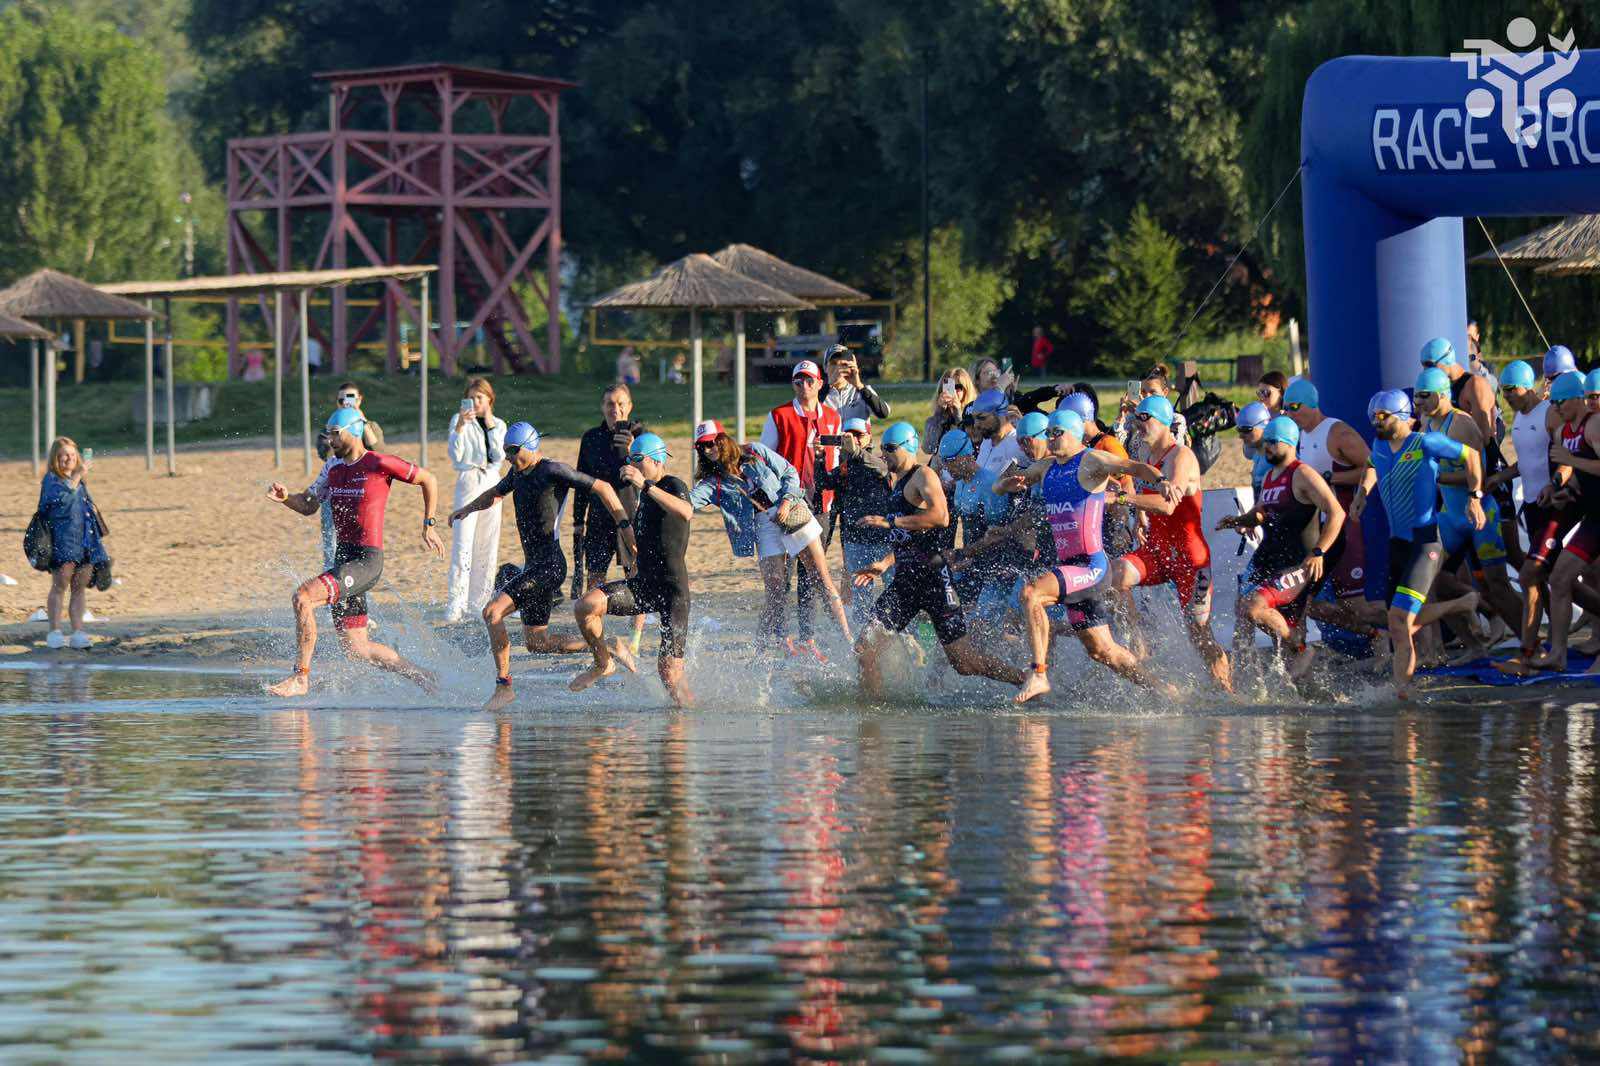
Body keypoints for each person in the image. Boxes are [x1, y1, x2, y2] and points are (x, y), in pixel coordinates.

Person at [452, 422, 635, 709]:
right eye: (505, 451)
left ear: (530, 447)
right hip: (534, 566)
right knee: (538, 643)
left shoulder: (552, 470)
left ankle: (504, 686)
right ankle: (607, 644)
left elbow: (603, 487)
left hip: (549, 564)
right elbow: (495, 494)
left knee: (493, 612)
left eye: (513, 451)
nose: (508, 457)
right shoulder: (517, 473)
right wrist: (467, 509)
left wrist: (625, 527)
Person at [265, 407, 442, 697]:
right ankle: (423, 676)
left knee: (303, 597)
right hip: (344, 558)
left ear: (354, 431)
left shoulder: (379, 463)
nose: (330, 440)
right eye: (328, 434)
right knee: (356, 648)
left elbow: (429, 479)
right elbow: (309, 504)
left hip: (367, 561)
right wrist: (286, 499)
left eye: (335, 434)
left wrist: (429, 524)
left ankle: (301, 677)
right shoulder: (332, 468)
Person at [1008, 410, 1179, 703]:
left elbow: (1133, 466)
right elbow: (1003, 483)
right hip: (1072, 569)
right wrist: (1006, 483)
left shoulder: (1090, 459)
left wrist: (1161, 479)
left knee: (1031, 593)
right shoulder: (1046, 467)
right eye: (1047, 433)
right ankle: (1166, 691)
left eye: (1056, 432)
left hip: (1090, 566)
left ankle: (1038, 673)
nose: (1050, 438)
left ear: (1075, 433)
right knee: (1103, 651)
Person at [851, 422, 1029, 697]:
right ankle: (873, 717)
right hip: (905, 584)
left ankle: (1025, 679)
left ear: (909, 446)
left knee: (964, 662)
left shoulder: (924, 476)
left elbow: (940, 517)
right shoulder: (898, 484)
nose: (883, 454)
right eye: (882, 448)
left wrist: (889, 521)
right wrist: (885, 563)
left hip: (935, 581)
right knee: (864, 649)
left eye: (889, 448)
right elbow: (909, 537)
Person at [1351, 390, 1487, 698]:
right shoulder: (1379, 444)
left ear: (1400, 416)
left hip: (1425, 544)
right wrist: (1362, 493)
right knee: (1397, 624)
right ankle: (1404, 692)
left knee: (1400, 621)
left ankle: (1405, 690)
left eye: (1382, 417)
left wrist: (1475, 497)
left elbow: (1472, 455)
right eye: (1373, 416)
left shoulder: (1424, 443)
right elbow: (1372, 464)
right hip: (1397, 544)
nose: (1376, 422)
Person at [690, 421, 853, 650]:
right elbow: (687, 502)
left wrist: (786, 501)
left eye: (711, 443)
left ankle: (848, 640)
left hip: (791, 510)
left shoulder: (755, 451)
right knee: (775, 592)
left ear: (724, 439)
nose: (707, 450)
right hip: (763, 524)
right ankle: (764, 651)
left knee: (821, 579)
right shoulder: (713, 482)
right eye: (701, 447)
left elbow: (789, 473)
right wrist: (654, 491)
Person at [1111, 396, 1232, 691]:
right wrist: (1138, 514)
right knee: (1114, 576)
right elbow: (1144, 490)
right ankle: (1138, 643)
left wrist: (1122, 500)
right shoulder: (1147, 458)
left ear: (1165, 421)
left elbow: (1168, 504)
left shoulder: (1182, 457)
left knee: (1200, 635)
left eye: (1145, 418)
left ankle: (1228, 694)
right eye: (1136, 418)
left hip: (1191, 561)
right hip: (1157, 551)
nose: (1139, 425)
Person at [570, 434, 694, 707]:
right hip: (645, 587)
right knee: (585, 606)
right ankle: (603, 662)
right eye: (630, 460)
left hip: (673, 593)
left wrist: (645, 485)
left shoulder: (672, 485)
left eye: (638, 459)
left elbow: (686, 511)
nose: (632, 465)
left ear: (657, 459)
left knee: (669, 673)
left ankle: (685, 723)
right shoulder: (643, 496)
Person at [1219, 417, 1345, 677]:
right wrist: (1239, 521)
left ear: (1289, 443)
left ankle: (1301, 648)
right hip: (1269, 557)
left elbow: (1337, 513)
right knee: (1241, 610)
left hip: (1298, 561)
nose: (1267, 447)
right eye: (1266, 442)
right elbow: (1263, 512)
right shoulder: (1269, 476)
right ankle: (1242, 673)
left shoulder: (1303, 474)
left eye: (1273, 442)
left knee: (1254, 608)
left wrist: (1319, 552)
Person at [1414, 367, 1522, 642]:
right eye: (1417, 398)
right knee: (1433, 583)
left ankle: (1531, 646)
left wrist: (1440, 477)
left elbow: (1480, 475)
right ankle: (1474, 643)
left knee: (1498, 584)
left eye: (1425, 396)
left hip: (1479, 513)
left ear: (1441, 395)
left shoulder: (1461, 424)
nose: (1420, 403)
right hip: (1451, 516)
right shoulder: (1429, 424)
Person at [761, 359, 843, 660]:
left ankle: (807, 637)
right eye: (798, 382)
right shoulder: (780, 415)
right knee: (784, 572)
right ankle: (781, 637)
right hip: (788, 502)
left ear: (820, 383)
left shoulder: (833, 417)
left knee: (812, 573)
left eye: (809, 381)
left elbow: (836, 462)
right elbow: (764, 461)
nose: (804, 387)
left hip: (821, 501)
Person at [1524, 371, 1600, 673]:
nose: (1555, 408)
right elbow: (1576, 475)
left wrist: (1571, 461)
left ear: (1576, 399)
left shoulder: (1594, 424)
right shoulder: (1563, 433)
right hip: (1594, 519)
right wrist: (1558, 491)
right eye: (1552, 402)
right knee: (1558, 578)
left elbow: (1584, 463)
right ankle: (1558, 653)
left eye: (1559, 402)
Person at [1282, 378, 1371, 608]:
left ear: (1311, 403)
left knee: (1356, 603)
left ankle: (1386, 637)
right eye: (1286, 408)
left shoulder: (1338, 433)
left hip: (1345, 526)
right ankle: (1373, 635)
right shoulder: (1300, 436)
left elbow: (1373, 467)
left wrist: (1332, 478)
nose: (1290, 414)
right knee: (1308, 603)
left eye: (1294, 407)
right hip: (1319, 531)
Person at [814, 417, 894, 630]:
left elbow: (883, 470)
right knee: (861, 602)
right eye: (848, 436)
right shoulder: (845, 468)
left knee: (896, 594)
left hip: (886, 542)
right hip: (856, 543)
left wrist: (857, 452)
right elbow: (822, 483)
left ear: (869, 437)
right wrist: (819, 458)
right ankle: (866, 641)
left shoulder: (882, 460)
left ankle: (902, 638)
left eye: (858, 435)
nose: (854, 440)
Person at [572, 385, 646, 607]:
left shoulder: (642, 436)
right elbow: (581, 481)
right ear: (602, 407)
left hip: (631, 515)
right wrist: (578, 521)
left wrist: (634, 450)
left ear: (630, 406)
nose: (616, 409)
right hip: (598, 517)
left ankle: (635, 640)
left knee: (636, 577)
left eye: (621, 403)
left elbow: (652, 476)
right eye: (610, 404)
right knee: (594, 578)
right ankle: (594, 631)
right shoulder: (591, 438)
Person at [445, 378, 507, 623]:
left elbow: (499, 456)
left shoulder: (499, 425)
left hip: (492, 478)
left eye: (480, 398)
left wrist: (490, 426)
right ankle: (455, 602)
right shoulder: (459, 421)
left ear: (489, 399)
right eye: (472, 398)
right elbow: (454, 454)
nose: (476, 403)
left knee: (487, 543)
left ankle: (478, 602)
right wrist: (460, 425)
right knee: (463, 542)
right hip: (468, 478)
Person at [37, 437, 108, 650]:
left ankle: (78, 632)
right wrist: (77, 476)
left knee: (79, 587)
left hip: (85, 539)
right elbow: (61, 502)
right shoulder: (51, 480)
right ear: (55, 459)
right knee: (60, 585)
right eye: (64, 455)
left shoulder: (80, 480)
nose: (69, 458)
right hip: (62, 539)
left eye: (72, 454)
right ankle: (55, 632)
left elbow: (83, 504)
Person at [316, 383, 386, 570]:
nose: (346, 403)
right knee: (332, 547)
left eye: (350, 398)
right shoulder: (331, 427)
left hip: (361, 494)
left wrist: (360, 422)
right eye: (341, 400)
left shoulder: (370, 426)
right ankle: (331, 592)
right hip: (336, 491)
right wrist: (339, 433)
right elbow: (326, 454)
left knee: (362, 549)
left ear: (360, 400)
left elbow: (379, 451)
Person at [1119, 363, 1189, 461]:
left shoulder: (1175, 419)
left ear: (1164, 393)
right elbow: (1119, 451)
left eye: (1153, 392)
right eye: (1143, 392)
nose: (1147, 396)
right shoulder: (1132, 418)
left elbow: (1171, 450)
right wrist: (1121, 417)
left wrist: (1145, 417)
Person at [822, 344, 891, 423]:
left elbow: (884, 413)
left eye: (844, 364)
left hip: (857, 435)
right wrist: (828, 386)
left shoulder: (863, 391)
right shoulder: (818, 393)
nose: (838, 368)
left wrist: (859, 386)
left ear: (851, 367)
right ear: (825, 368)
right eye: (833, 363)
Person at [924, 368, 977, 470]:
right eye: (949, 387)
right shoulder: (938, 419)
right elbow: (928, 448)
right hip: (939, 473)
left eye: (958, 387)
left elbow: (969, 445)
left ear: (967, 390)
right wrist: (938, 414)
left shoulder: (974, 416)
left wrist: (958, 414)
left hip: (961, 472)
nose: (954, 392)